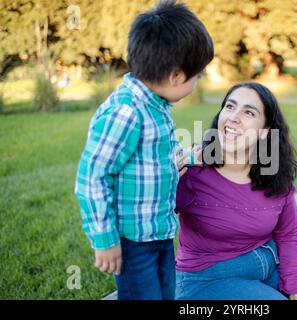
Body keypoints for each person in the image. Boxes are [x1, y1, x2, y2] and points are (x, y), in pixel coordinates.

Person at [74, 0, 213, 300]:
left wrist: (194, 156)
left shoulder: (157, 105)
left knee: (166, 294)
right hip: (133, 242)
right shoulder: (126, 112)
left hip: (160, 233)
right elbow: (92, 178)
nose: (198, 80)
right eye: (197, 75)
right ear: (176, 76)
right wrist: (104, 239)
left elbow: (164, 160)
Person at [175, 82, 297, 300]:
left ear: (265, 131)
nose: (234, 117)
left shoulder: (274, 174)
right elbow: (146, 222)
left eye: (249, 112)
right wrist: (165, 181)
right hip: (209, 279)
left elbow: (288, 235)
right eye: (230, 107)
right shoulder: (191, 170)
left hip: (270, 263)